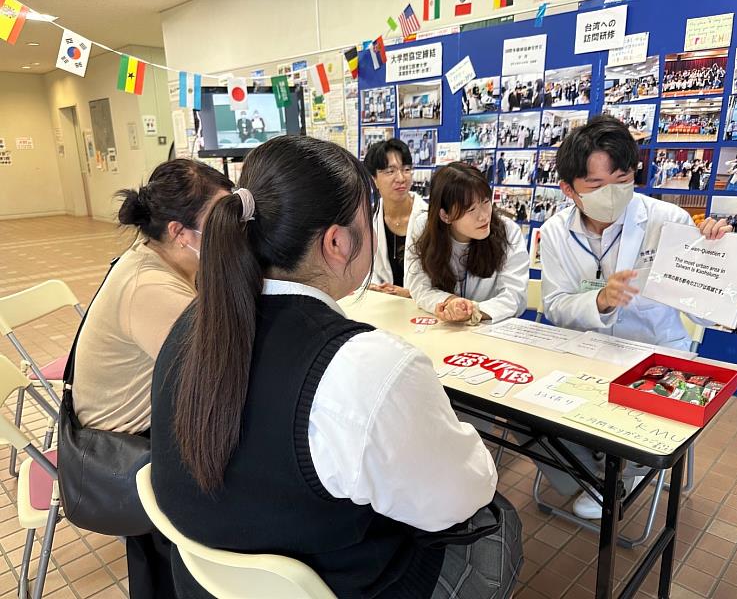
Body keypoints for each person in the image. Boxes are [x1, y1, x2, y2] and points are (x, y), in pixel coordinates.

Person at [149, 136, 522, 599]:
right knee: (499, 523)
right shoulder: (366, 366)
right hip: (340, 584)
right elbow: (462, 494)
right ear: (337, 241)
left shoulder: (193, 321)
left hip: (208, 582)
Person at [537, 116, 731, 518]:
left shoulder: (668, 221)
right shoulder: (555, 231)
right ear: (569, 189)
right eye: (596, 185)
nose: (612, 193)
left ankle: (621, 476)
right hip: (587, 351)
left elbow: (705, 308)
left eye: (623, 178)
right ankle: (597, 477)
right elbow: (555, 304)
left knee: (644, 419)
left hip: (655, 353)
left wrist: (715, 255)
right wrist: (601, 302)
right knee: (527, 415)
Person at [71, 159, 233, 599]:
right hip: (127, 445)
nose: (235, 229)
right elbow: (217, 373)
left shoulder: (162, 261)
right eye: (222, 219)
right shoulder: (149, 286)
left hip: (144, 420)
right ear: (180, 233)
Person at [405, 162, 529, 325]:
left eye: (485, 202)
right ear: (445, 215)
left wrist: (472, 311)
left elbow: (514, 296)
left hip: (491, 332)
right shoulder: (424, 227)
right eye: (471, 209)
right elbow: (419, 286)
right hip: (444, 328)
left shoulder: (508, 231)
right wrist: (452, 303)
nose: (484, 216)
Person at [363, 139, 427, 298]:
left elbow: (444, 278)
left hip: (423, 308)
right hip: (383, 306)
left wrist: (412, 294)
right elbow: (363, 270)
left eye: (406, 169)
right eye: (390, 171)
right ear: (374, 179)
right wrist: (373, 286)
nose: (400, 178)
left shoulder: (429, 218)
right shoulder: (367, 220)